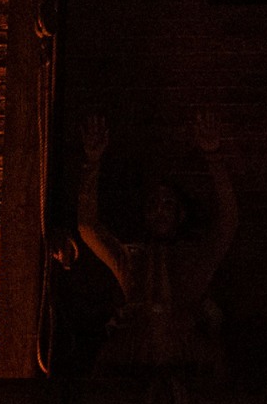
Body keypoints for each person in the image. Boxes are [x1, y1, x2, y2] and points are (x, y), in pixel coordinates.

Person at [79, 111, 240, 376]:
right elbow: (88, 228)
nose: (160, 211)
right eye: (153, 205)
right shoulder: (130, 258)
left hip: (186, 358)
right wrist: (92, 163)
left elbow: (228, 222)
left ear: (180, 214)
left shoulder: (196, 257)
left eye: (167, 205)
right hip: (135, 358)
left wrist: (213, 157)